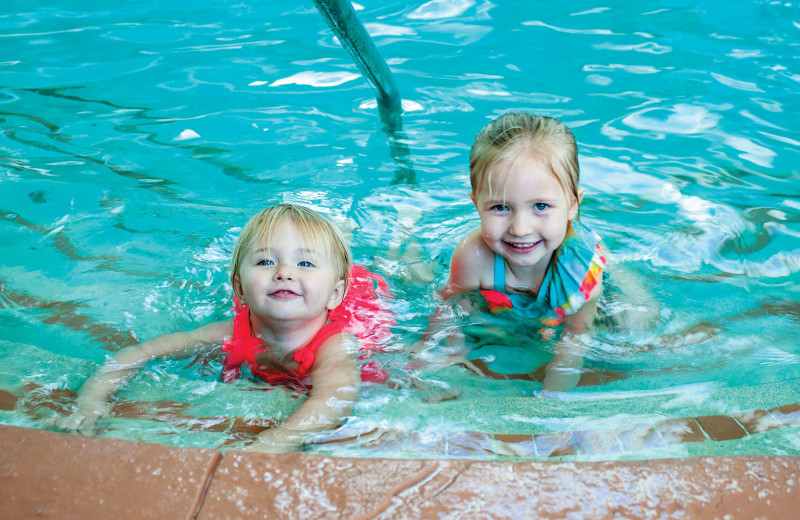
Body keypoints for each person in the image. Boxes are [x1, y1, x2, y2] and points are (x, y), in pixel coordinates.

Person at [57, 204, 393, 452]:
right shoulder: (229, 333)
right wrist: (91, 400)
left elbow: (333, 401)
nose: (284, 272)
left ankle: (391, 246)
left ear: (335, 293)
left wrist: (273, 442)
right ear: (240, 289)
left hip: (361, 306)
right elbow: (140, 352)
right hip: (310, 294)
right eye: (265, 261)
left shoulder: (336, 347)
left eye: (304, 263)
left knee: (395, 269)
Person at [427, 112, 608, 395]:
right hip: (508, 301)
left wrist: (551, 400)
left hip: (576, 278)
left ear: (573, 205)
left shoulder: (581, 273)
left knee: (637, 317)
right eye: (500, 207)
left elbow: (575, 342)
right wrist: (441, 356)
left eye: (541, 206)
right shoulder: (473, 257)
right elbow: (450, 310)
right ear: (476, 204)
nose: (521, 229)